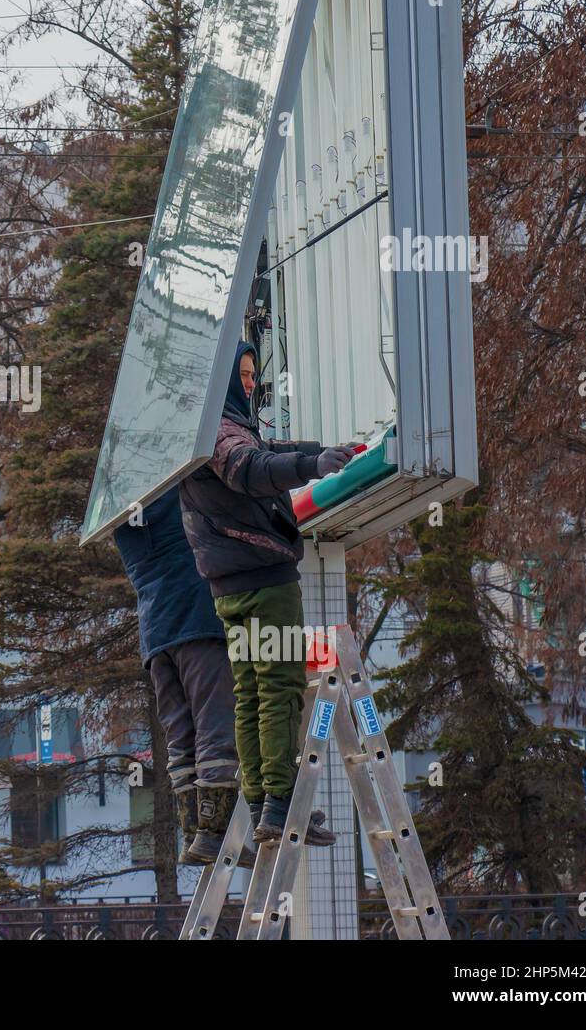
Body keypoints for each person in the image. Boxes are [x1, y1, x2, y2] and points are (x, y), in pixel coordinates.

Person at [179, 341, 356, 844]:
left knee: (252, 693)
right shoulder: (220, 429)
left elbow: (267, 454)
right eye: (245, 374)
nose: (252, 382)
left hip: (231, 589)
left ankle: (264, 805)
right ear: (224, 379)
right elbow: (252, 470)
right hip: (263, 582)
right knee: (278, 688)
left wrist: (316, 453)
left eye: (255, 373)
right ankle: (280, 804)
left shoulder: (204, 426)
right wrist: (313, 465)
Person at [114, 486, 248, 864]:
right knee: (215, 728)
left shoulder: (121, 513)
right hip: (198, 622)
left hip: (156, 637)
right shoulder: (178, 490)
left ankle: (193, 829)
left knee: (181, 737)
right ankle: (215, 831)